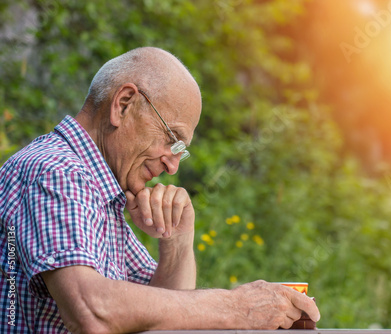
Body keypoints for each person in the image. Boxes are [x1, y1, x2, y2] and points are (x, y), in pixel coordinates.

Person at [0, 47, 320, 333]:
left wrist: (177, 242)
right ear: (123, 104)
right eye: (171, 138)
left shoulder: (102, 194)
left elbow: (165, 320)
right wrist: (236, 307)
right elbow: (91, 312)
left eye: (181, 150)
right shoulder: (57, 171)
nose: (172, 166)